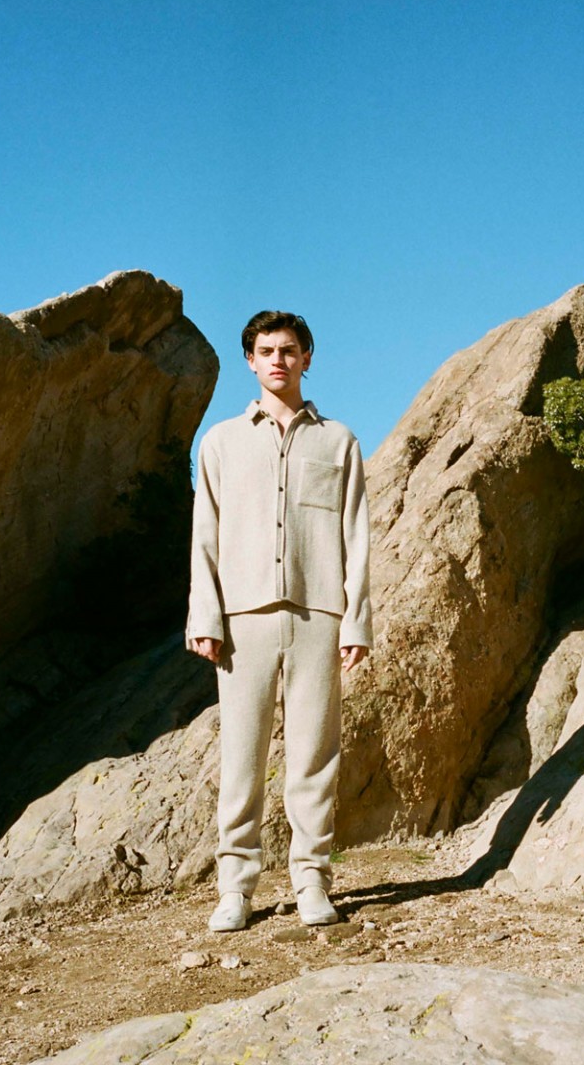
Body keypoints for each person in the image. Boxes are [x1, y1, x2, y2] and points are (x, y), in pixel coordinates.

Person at [187, 310, 373, 932]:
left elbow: (356, 535)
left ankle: (312, 880)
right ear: (250, 360)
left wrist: (356, 621)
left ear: (306, 358)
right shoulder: (221, 442)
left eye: (289, 350)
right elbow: (205, 536)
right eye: (266, 351)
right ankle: (235, 888)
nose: (278, 360)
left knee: (315, 755)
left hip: (319, 614)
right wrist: (206, 614)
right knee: (241, 759)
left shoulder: (339, 441)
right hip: (243, 620)